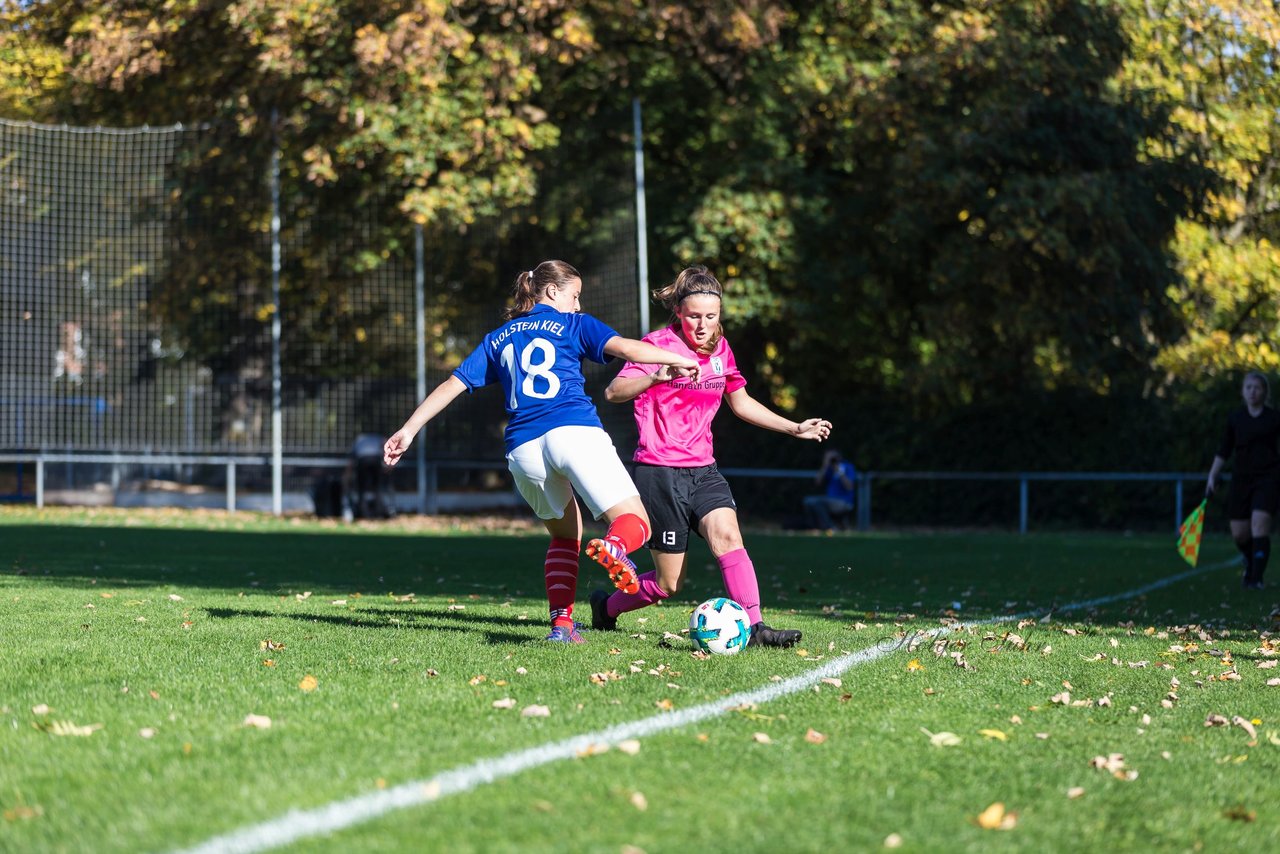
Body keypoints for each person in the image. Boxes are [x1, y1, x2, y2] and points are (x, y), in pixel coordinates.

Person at [383, 260, 701, 642]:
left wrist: (408, 429)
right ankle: (616, 548)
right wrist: (678, 357)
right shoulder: (573, 325)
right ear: (553, 291)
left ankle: (562, 626)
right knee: (636, 521)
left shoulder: (498, 337)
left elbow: (453, 384)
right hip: (573, 431)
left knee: (565, 536)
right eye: (575, 295)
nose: (578, 305)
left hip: (523, 448)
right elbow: (628, 348)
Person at [591, 265, 831, 648]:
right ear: (679, 313)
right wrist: (657, 376)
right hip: (659, 473)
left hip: (704, 470)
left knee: (728, 535)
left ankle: (755, 628)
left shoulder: (720, 349)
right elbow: (614, 392)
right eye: (693, 317)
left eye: (710, 316)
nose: (702, 325)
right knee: (669, 583)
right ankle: (607, 608)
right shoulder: (656, 345)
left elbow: (740, 401)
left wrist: (794, 427)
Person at [1206, 370, 1280, 590]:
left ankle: (1255, 579)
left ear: (1264, 392)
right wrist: (1212, 476)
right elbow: (1224, 450)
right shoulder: (1235, 418)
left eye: (1257, 388)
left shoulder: (1275, 418)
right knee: (1239, 532)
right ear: (1243, 391)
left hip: (1268, 478)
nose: (1252, 392)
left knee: (1259, 525)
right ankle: (1251, 561)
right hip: (1241, 479)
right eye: (1248, 387)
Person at [344, 432, 395, 520]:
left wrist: (347, 474)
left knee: (362, 489)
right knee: (377, 489)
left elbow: (352, 460)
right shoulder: (378, 437)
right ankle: (378, 513)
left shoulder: (359, 439)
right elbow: (389, 448)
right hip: (375, 460)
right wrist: (390, 466)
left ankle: (364, 514)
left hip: (363, 461)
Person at [804, 449, 856, 533]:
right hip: (829, 500)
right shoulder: (829, 469)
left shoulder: (847, 466)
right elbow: (818, 482)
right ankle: (815, 528)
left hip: (844, 501)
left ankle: (830, 527)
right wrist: (825, 465)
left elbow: (849, 486)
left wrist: (840, 471)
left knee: (817, 502)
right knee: (809, 501)